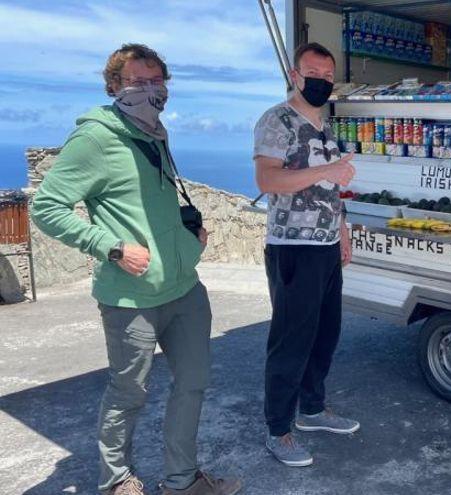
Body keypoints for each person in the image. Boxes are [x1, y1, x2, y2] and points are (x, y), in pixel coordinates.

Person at [31, 44, 241, 495]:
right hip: (131, 296)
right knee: (128, 394)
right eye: (137, 82)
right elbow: (46, 207)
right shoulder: (96, 138)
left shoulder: (153, 132)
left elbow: (155, 204)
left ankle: (182, 482)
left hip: (184, 288)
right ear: (113, 87)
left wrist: (188, 240)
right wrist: (109, 246)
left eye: (156, 81)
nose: (149, 90)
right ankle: (115, 482)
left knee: (193, 386)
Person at [253, 42, 358, 467]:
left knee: (325, 334)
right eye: (313, 72)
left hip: (326, 247)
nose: (321, 81)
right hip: (292, 249)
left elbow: (330, 190)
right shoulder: (276, 121)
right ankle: (279, 430)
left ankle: (312, 410)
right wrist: (327, 170)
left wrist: (343, 230)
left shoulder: (323, 124)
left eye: (328, 76)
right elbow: (267, 179)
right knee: (290, 342)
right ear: (295, 75)